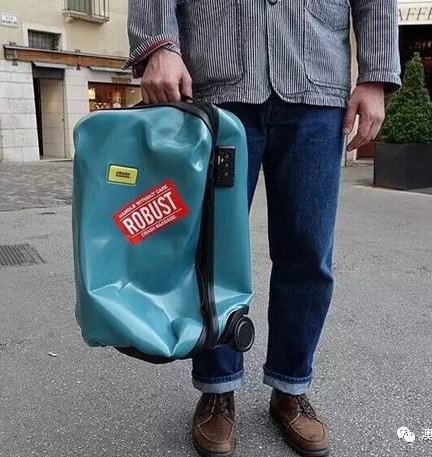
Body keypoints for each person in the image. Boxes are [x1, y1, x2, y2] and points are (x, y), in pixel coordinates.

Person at [125, 2, 400, 456]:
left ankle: (291, 385)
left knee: (308, 252)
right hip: (217, 80)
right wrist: (159, 44)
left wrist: (376, 74)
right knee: (211, 252)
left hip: (316, 84)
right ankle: (217, 387)